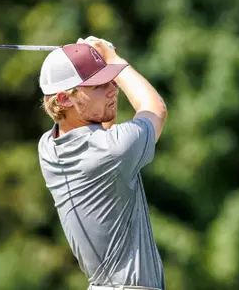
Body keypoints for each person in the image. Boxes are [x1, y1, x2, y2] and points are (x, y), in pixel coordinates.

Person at [37, 36, 168, 290]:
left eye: (111, 80)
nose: (114, 89)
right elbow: (156, 109)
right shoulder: (112, 150)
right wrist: (112, 59)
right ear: (64, 99)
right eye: (99, 86)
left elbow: (100, 129)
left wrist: (94, 61)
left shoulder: (47, 146)